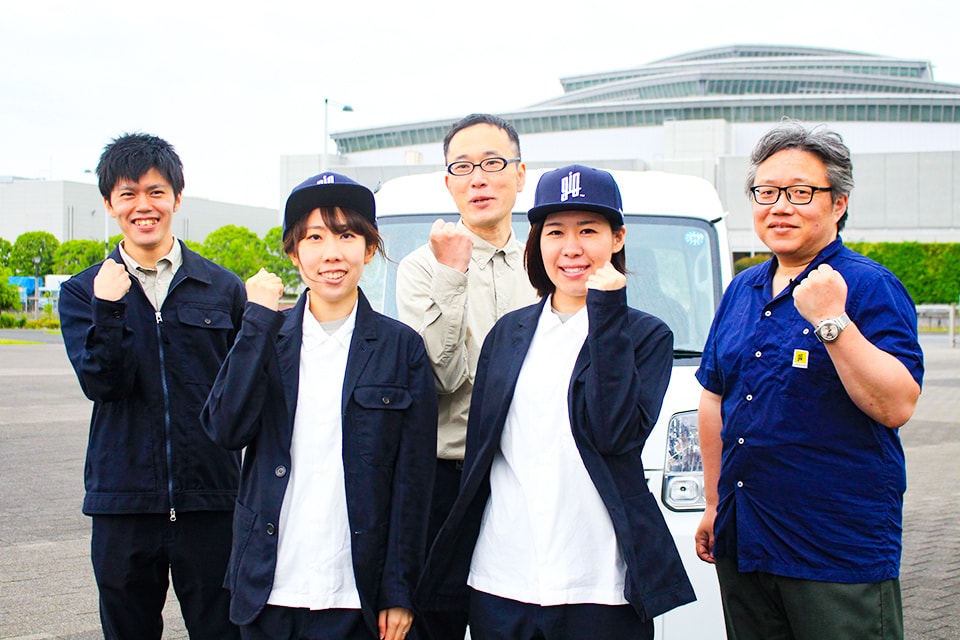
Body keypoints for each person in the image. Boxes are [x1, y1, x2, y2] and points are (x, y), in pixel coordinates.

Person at [416, 165, 696, 640]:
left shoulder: (646, 336)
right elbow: (483, 452)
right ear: (537, 241)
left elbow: (613, 433)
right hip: (501, 578)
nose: (571, 247)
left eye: (588, 230)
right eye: (555, 232)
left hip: (600, 584)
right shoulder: (508, 334)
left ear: (618, 237)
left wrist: (607, 311)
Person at [694, 121, 924, 640]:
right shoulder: (742, 290)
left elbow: (897, 405)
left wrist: (832, 320)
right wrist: (713, 503)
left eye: (800, 193)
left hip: (833, 550)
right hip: (746, 538)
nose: (780, 207)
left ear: (838, 203)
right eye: (766, 192)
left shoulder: (869, 286)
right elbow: (714, 398)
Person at [201, 172, 437, 640]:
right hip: (269, 588)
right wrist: (256, 321)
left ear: (369, 249)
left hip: (356, 593)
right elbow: (225, 429)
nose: (331, 252)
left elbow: (413, 482)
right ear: (294, 252)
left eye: (347, 235)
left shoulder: (401, 347)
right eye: (314, 237)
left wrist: (398, 590)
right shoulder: (266, 336)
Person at [58, 133, 245, 639]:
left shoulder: (222, 288)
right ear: (109, 204)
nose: (144, 205)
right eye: (128, 194)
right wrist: (108, 308)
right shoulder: (82, 291)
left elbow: (242, 393)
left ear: (177, 198)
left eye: (156, 191)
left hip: (211, 501)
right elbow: (103, 384)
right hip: (123, 503)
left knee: (224, 631)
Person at [395, 113, 538, 639]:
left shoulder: (548, 261)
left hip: (529, 475)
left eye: (493, 163)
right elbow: (438, 377)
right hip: (447, 478)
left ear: (520, 174)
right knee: (439, 619)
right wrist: (451, 275)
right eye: (463, 166)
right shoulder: (419, 268)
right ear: (448, 181)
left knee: (524, 619)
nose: (478, 178)